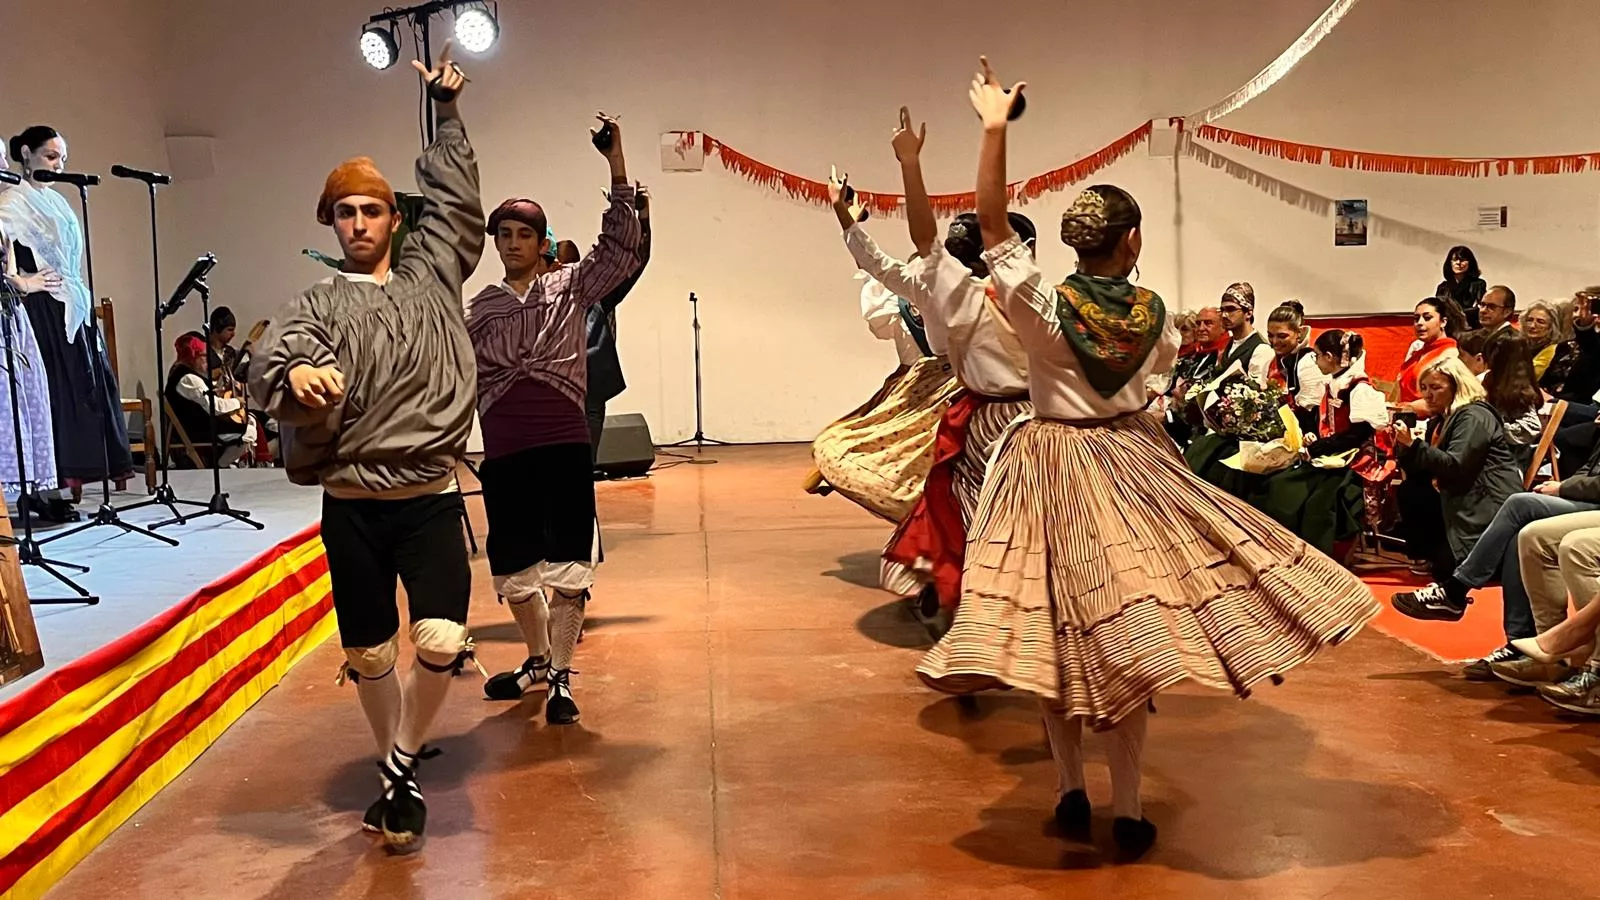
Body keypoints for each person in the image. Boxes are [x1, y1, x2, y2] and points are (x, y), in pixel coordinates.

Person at [915, 57, 1379, 861]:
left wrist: (992, 130)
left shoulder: (1038, 304)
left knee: (1061, 634)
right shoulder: (1158, 316)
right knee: (1127, 635)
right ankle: (1127, 808)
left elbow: (993, 231)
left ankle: (1068, 792)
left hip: (1049, 466)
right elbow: (1155, 378)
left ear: (1076, 243)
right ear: (1132, 241)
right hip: (1134, 463)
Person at [246, 44, 480, 853]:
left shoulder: (430, 277)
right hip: (351, 508)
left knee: (443, 641)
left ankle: (400, 766)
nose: (357, 224)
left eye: (370, 210)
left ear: (394, 219)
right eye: (343, 212)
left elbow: (455, 207)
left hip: (427, 495)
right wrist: (302, 369)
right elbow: (274, 356)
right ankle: (399, 779)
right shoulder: (315, 298)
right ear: (329, 222)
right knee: (370, 652)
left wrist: (448, 115)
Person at [469, 113, 643, 726]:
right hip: (506, 452)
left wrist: (615, 165)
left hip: (563, 443)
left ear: (541, 241)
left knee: (569, 563)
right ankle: (538, 661)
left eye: (523, 233)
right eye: (504, 234)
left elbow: (620, 250)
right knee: (515, 570)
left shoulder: (569, 286)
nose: (512, 242)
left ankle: (563, 673)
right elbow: (450, 372)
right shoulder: (480, 309)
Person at [833, 107, 1034, 615]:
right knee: (980, 499)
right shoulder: (1019, 292)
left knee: (951, 494)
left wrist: (903, 170)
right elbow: (916, 248)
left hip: (967, 400)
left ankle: (952, 579)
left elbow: (892, 257)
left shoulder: (946, 284)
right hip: (987, 404)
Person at [0, 125, 134, 501]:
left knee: (84, 391)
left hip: (71, 302)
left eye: (62, 159)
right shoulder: (11, 203)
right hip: (42, 310)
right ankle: (45, 492)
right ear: (25, 154)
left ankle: (71, 481)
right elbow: (4, 254)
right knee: (55, 395)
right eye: (51, 157)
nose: (58, 166)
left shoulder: (57, 202)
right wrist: (25, 281)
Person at [1389, 355, 1523, 596]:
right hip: (1462, 493)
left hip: (1486, 502)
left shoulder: (1473, 416)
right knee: (1412, 489)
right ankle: (1428, 555)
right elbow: (1425, 467)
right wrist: (1405, 447)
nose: (1427, 395)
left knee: (1447, 568)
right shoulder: (1443, 418)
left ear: (1456, 386)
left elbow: (1456, 465)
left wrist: (1414, 446)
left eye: (1435, 388)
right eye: (1424, 388)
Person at [0, 147, 59, 512]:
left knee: (19, 401)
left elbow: (6, 275)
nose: (5, 169)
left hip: (7, 319)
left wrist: (21, 283)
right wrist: (26, 284)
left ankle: (15, 502)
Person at [584, 184, 651, 456]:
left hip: (590, 392)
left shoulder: (600, 296)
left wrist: (641, 216)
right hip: (557, 395)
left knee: (579, 474)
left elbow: (637, 258)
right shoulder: (545, 297)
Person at [165, 331, 255, 467]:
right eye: (204, 356)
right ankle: (220, 465)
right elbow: (214, 407)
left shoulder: (183, 373)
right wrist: (237, 402)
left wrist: (217, 392)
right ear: (193, 356)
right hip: (197, 429)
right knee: (249, 432)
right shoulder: (188, 378)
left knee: (250, 420)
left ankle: (224, 463)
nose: (207, 360)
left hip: (198, 424)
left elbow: (202, 397)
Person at [1395, 296, 1465, 418]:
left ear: (1443, 322)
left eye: (1427, 318)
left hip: (1428, 423)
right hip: (1406, 418)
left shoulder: (1450, 353)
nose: (1419, 323)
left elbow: (1439, 401)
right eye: (1416, 319)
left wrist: (1403, 408)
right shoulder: (1418, 352)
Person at [1264, 300, 1326, 434]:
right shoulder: (1271, 360)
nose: (1274, 342)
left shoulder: (1309, 362)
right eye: (1270, 335)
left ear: (1299, 333)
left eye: (1282, 336)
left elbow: (1311, 414)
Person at [1216, 283, 1273, 384]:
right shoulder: (1226, 345)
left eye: (1231, 309)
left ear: (1248, 313)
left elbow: (1256, 392)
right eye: (1222, 310)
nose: (1224, 315)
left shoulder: (1261, 348)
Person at [1437, 245, 1487, 329]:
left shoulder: (1478, 284)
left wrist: (1456, 313)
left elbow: (1481, 308)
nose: (1458, 263)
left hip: (1471, 326)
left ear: (1470, 263)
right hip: (1449, 327)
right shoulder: (1443, 287)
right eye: (1455, 260)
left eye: (1463, 260)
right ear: (1450, 263)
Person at [1522, 299, 1570, 381]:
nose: (1532, 326)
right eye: (1529, 320)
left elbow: (1526, 378)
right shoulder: (1521, 345)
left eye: (1540, 322)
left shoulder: (1553, 350)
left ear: (1551, 327)